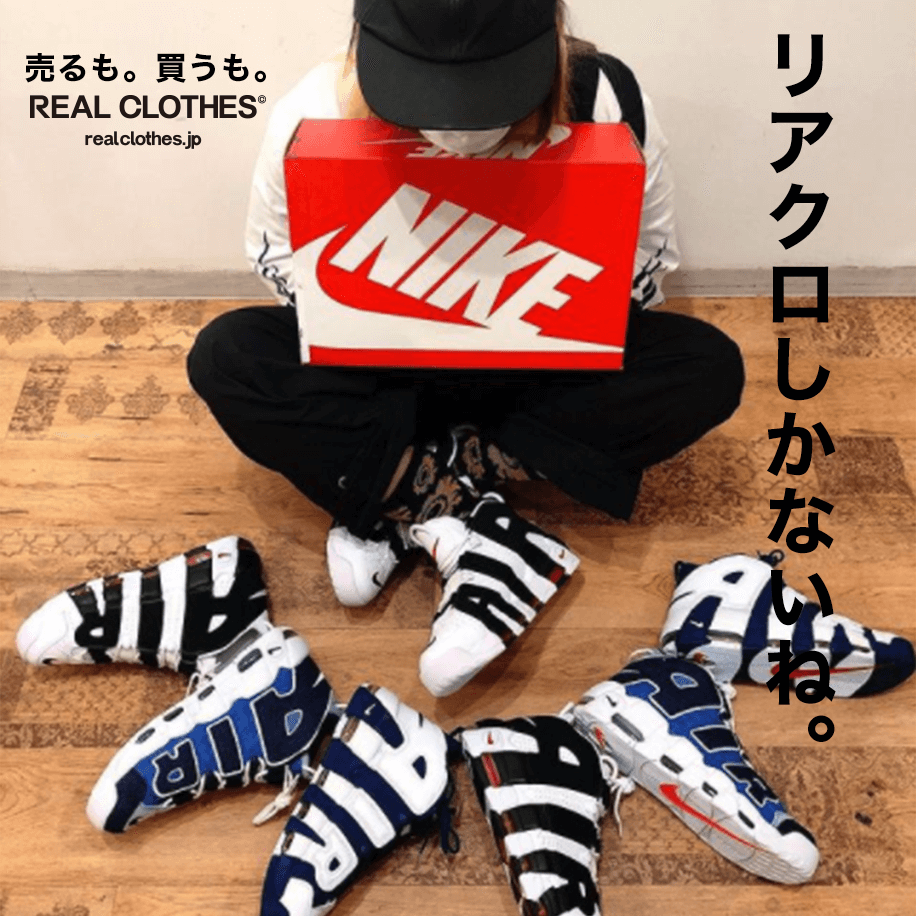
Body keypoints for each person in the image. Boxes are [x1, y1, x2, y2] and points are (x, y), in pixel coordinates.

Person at [187, 0, 744, 697]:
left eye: (490, 97)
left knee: (707, 367)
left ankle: (403, 485)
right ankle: (457, 510)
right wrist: (386, 303)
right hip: (385, 370)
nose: (457, 132)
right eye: (424, 97)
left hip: (534, 369)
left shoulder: (607, 101)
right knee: (227, 355)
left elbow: (650, 259)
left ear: (550, 42)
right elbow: (273, 255)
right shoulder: (313, 111)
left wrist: (544, 287)